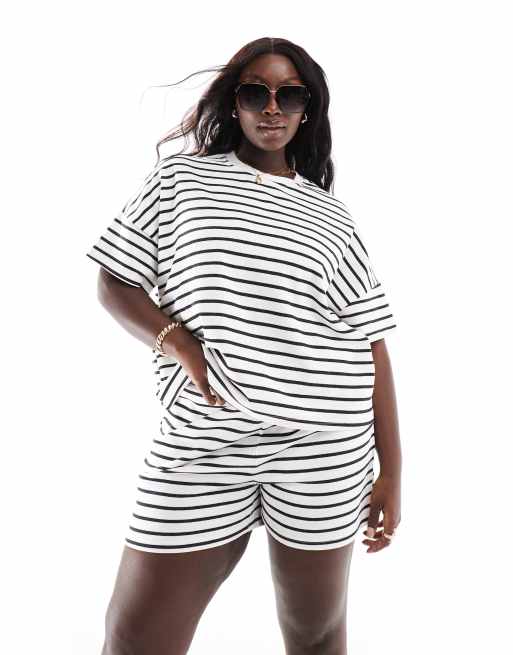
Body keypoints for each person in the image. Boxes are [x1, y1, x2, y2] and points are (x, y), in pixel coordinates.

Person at [87, 37, 402, 655]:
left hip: (322, 448)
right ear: (235, 103)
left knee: (315, 634)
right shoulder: (181, 182)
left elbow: (370, 342)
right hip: (204, 439)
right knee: (133, 636)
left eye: (290, 95)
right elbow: (113, 281)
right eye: (256, 92)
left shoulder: (332, 217)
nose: (272, 107)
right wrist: (181, 345)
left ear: (308, 108)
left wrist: (392, 469)